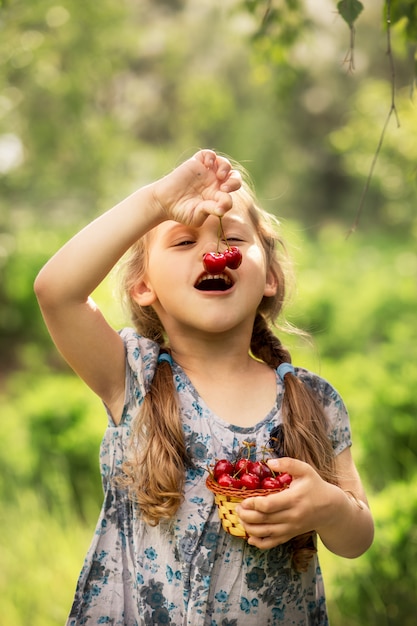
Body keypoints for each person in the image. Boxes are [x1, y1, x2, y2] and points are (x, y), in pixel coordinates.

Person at [34, 149, 374, 626]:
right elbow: (56, 291)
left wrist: (329, 508)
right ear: (142, 286)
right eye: (182, 241)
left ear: (270, 278)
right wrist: (156, 202)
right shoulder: (135, 378)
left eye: (233, 237)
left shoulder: (314, 401)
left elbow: (356, 538)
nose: (215, 252)